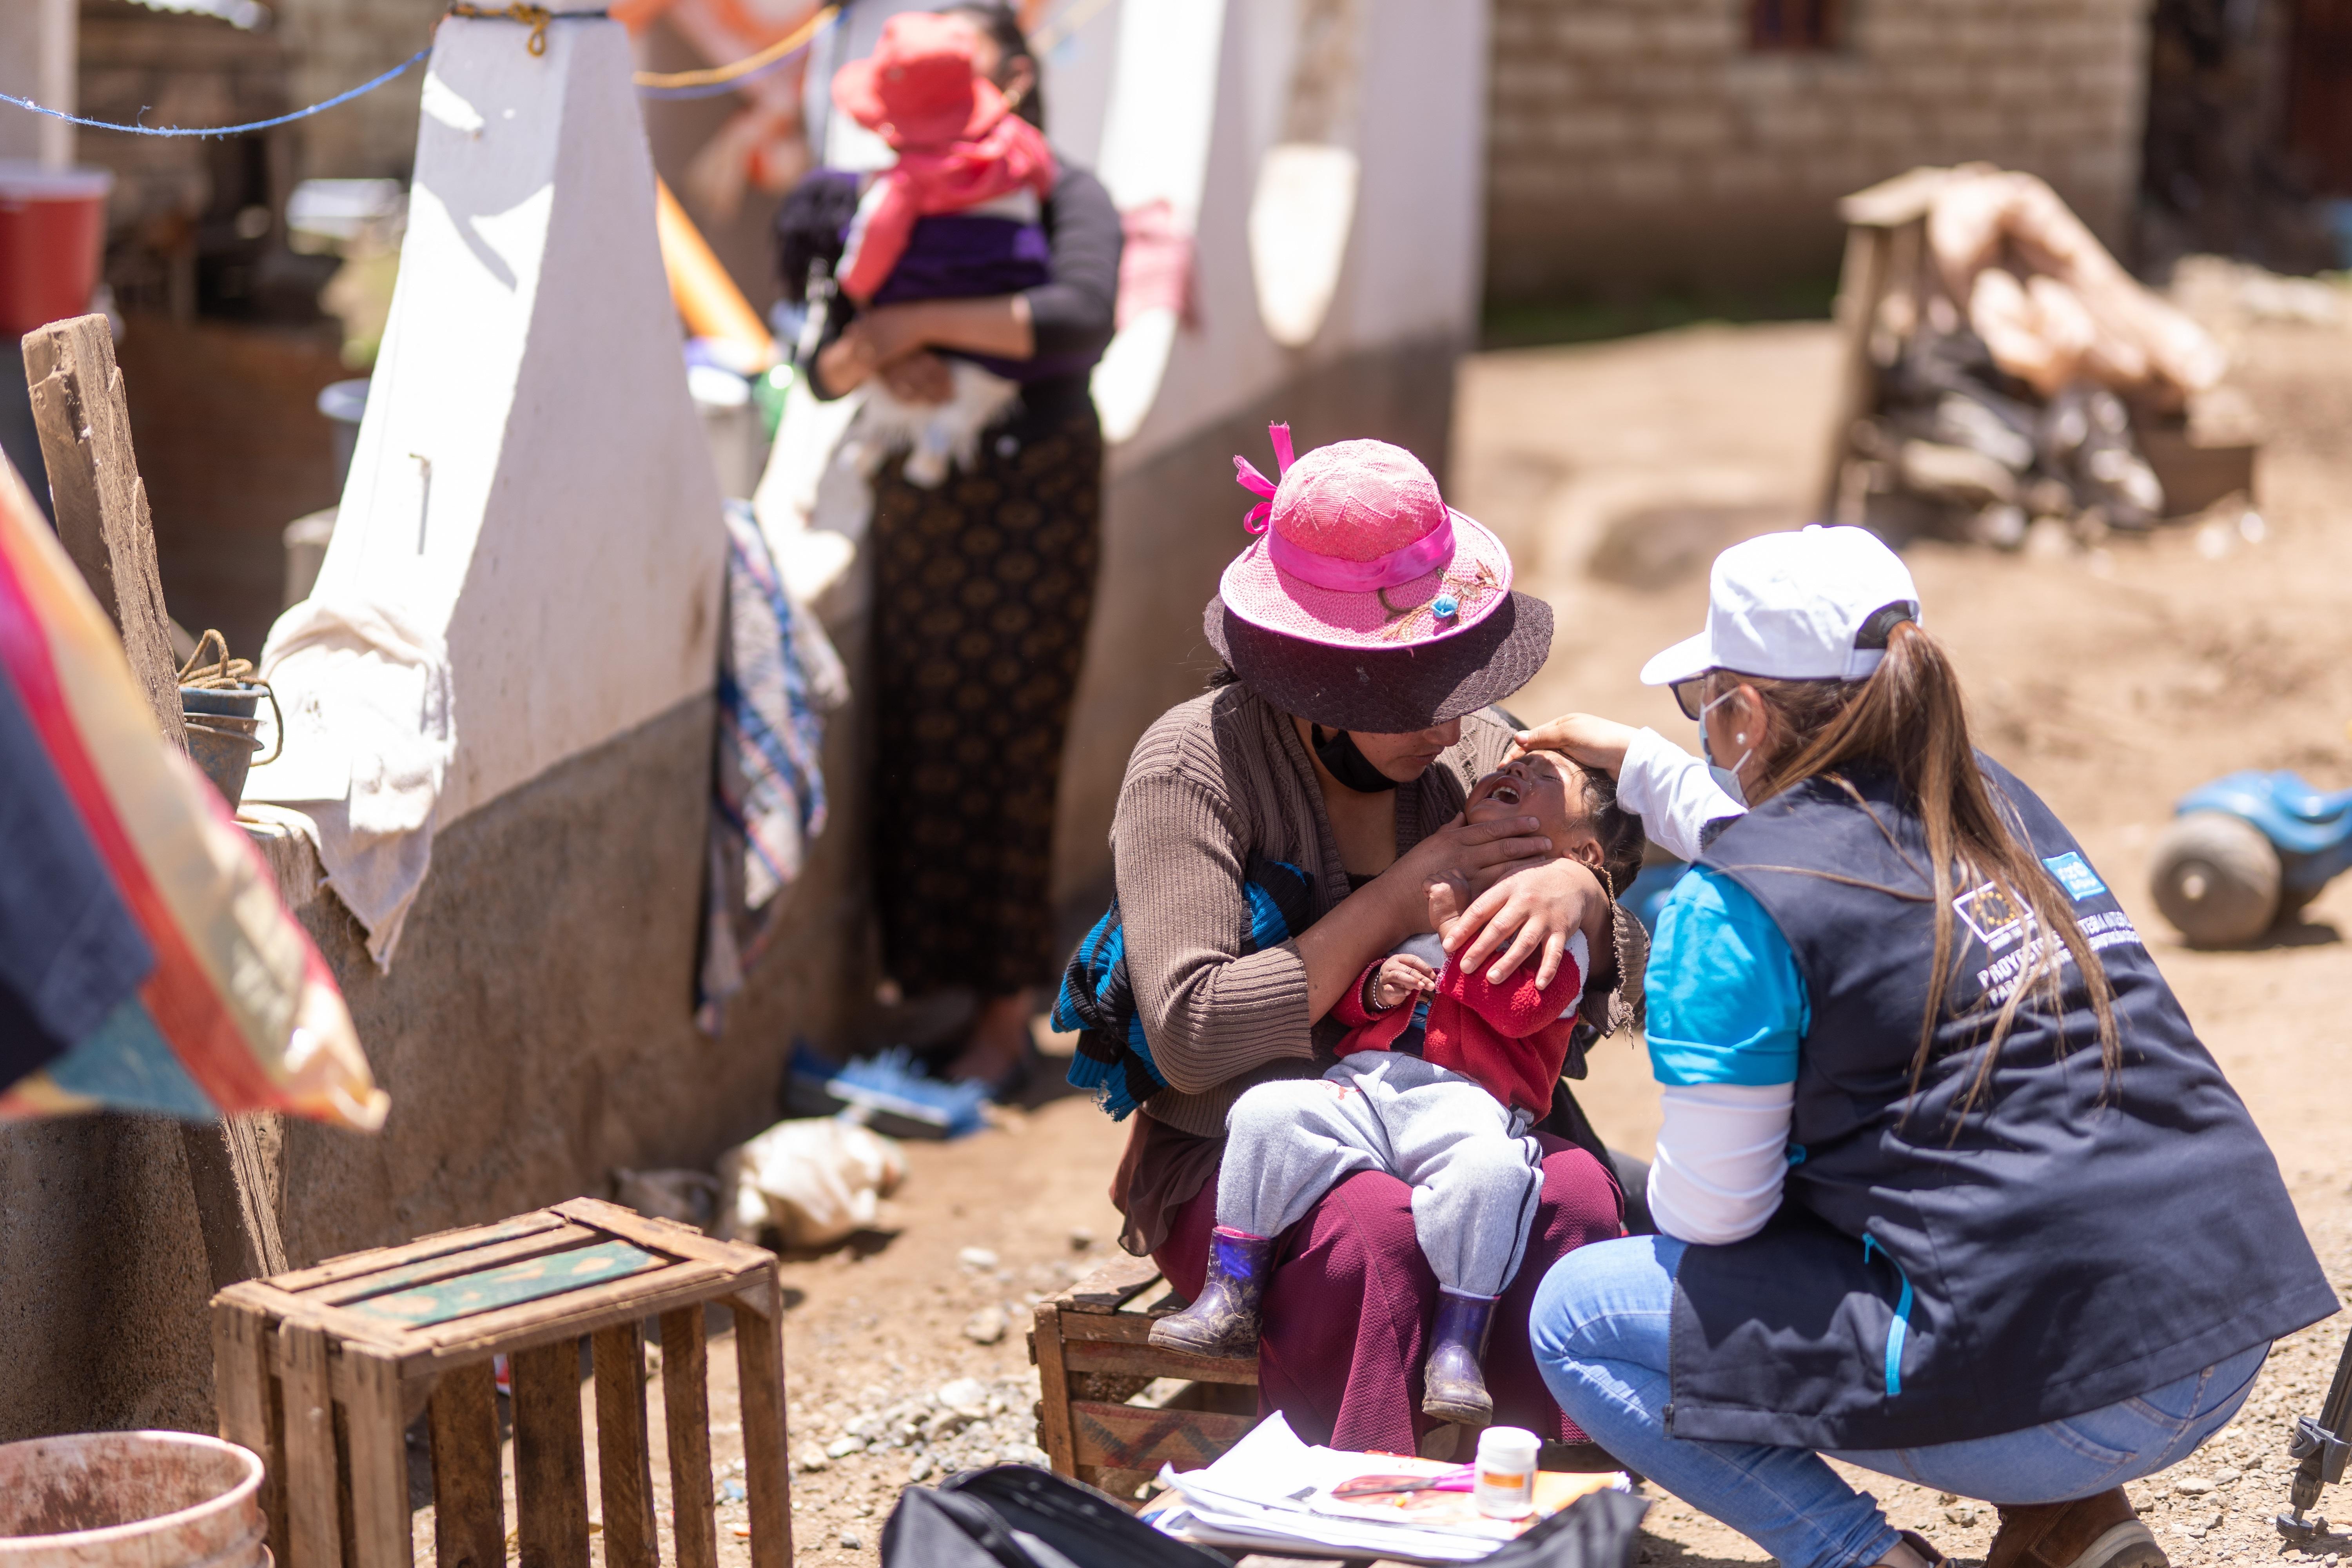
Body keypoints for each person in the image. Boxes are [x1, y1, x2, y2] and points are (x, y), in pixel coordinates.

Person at [1516, 526, 2336, 1568]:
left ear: (1747, 712)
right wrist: (1647, 769)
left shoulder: (1726, 917)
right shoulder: (1987, 796)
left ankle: (1865, 1556)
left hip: (2072, 1403)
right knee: (1964, 1202)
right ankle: (2074, 1527)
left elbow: (1714, 1216)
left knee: (1583, 1315)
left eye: (1703, 703)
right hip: (2218, 1330)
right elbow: (1821, 857)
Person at [1109, 425, 1646, 1455]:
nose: (1452, 729)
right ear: (1315, 681)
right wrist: (1396, 903)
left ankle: (1543, 1511)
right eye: (1410, 697)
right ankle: (1373, 1508)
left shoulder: (1481, 750)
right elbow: (1189, 1037)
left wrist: (1583, 898)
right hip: (1247, 1149)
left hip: (1466, 1125)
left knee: (1575, 1199)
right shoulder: (1192, 768)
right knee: (1374, 1231)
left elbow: (1630, 964)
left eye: (1454, 683)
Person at [784, 3, 1121, 1088]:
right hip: (924, 504)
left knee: (1010, 741)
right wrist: (876, 355)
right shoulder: (881, 198)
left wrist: (918, 327)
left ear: (1016, 82)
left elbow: (1075, 318)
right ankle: (932, 999)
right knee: (922, 737)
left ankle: (1000, 1021)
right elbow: (821, 356)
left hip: (1033, 497)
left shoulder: (1068, 194)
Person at [1149, 752, 1645, 1427]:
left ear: (1582, 852)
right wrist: (1376, 987)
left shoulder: (1558, 931)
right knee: (1267, 1111)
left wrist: (1464, 925)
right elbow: (1361, 1007)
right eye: (1518, 766)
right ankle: (1232, 1286)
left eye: (1547, 778)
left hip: (1468, 1107)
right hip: (1371, 1088)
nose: (1518, 764)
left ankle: (1458, 1344)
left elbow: (1525, 1010)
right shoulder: (1447, 884)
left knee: (1493, 1176)